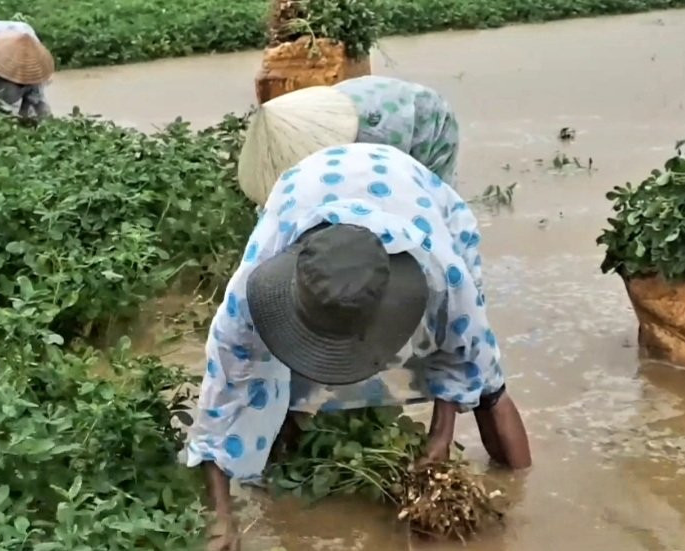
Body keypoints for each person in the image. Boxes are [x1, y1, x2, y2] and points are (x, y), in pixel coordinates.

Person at [184, 142, 531, 550]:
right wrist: (222, 519)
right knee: (270, 382)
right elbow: (220, 406)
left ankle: (526, 495)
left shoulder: (443, 276)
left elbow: (462, 360)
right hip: (307, 186)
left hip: (409, 188)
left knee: (488, 385)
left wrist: (441, 435)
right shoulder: (250, 292)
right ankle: (289, 443)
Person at [237, 75, 461, 207]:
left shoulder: (372, 145)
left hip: (419, 118)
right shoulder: (283, 142)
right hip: (360, 101)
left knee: (428, 204)